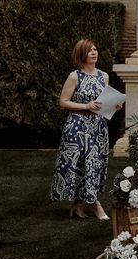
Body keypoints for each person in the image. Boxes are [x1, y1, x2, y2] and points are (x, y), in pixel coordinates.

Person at [50, 39, 122, 219]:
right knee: (79, 165)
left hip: (98, 127)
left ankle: (78, 204)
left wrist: (113, 106)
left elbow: (103, 101)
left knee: (95, 165)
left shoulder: (103, 76)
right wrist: (86, 106)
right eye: (89, 51)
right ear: (81, 54)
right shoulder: (75, 76)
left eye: (95, 49)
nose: (94, 53)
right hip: (77, 126)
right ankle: (96, 205)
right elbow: (63, 102)